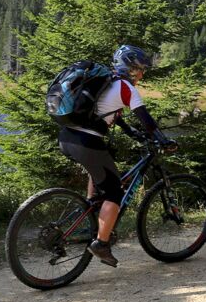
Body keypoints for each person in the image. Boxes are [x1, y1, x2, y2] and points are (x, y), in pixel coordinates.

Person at [57, 45, 176, 267]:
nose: (141, 75)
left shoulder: (107, 81)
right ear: (130, 68)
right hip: (86, 143)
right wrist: (162, 139)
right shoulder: (127, 88)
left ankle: (91, 208)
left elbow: (109, 112)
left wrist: (131, 132)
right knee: (114, 193)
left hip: (66, 137)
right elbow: (146, 119)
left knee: (101, 167)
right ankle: (101, 243)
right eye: (140, 70)